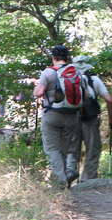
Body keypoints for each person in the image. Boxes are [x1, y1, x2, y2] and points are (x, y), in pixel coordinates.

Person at [33, 45, 81, 188]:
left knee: (52, 148)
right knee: (66, 148)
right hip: (72, 114)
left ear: (53, 58)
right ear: (67, 58)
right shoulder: (75, 72)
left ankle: (61, 181)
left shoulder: (48, 72)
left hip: (52, 115)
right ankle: (67, 173)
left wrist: (36, 87)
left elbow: (39, 93)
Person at [69, 55, 112, 181]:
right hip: (90, 119)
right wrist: (111, 119)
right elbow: (110, 100)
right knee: (92, 149)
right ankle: (87, 180)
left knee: (72, 150)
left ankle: (68, 176)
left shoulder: (67, 80)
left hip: (71, 119)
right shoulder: (94, 80)